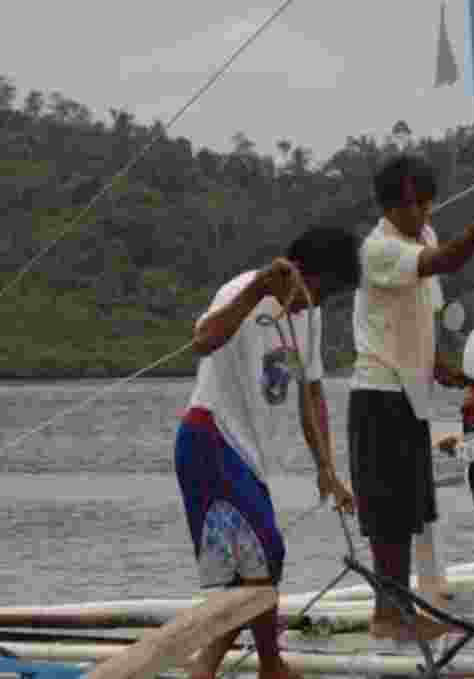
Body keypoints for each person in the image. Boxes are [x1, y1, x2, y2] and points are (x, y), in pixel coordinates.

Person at [175, 226, 359, 679]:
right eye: (317, 290)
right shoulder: (241, 290)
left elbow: (311, 394)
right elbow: (203, 341)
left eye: (327, 297)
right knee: (265, 553)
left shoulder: (309, 319)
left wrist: (327, 468)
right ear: (298, 272)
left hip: (246, 454)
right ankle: (268, 665)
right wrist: (260, 286)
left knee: (250, 568)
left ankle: (214, 667)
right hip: (210, 437)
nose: (315, 303)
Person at [348, 153, 474, 642]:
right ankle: (390, 615)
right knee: (388, 515)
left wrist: (448, 367)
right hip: (378, 394)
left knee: (406, 510)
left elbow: (426, 313)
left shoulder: (421, 233)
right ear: (389, 207)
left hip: (410, 393)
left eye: (428, 203)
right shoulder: (379, 249)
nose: (424, 214)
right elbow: (445, 260)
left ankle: (396, 610)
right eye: (413, 205)